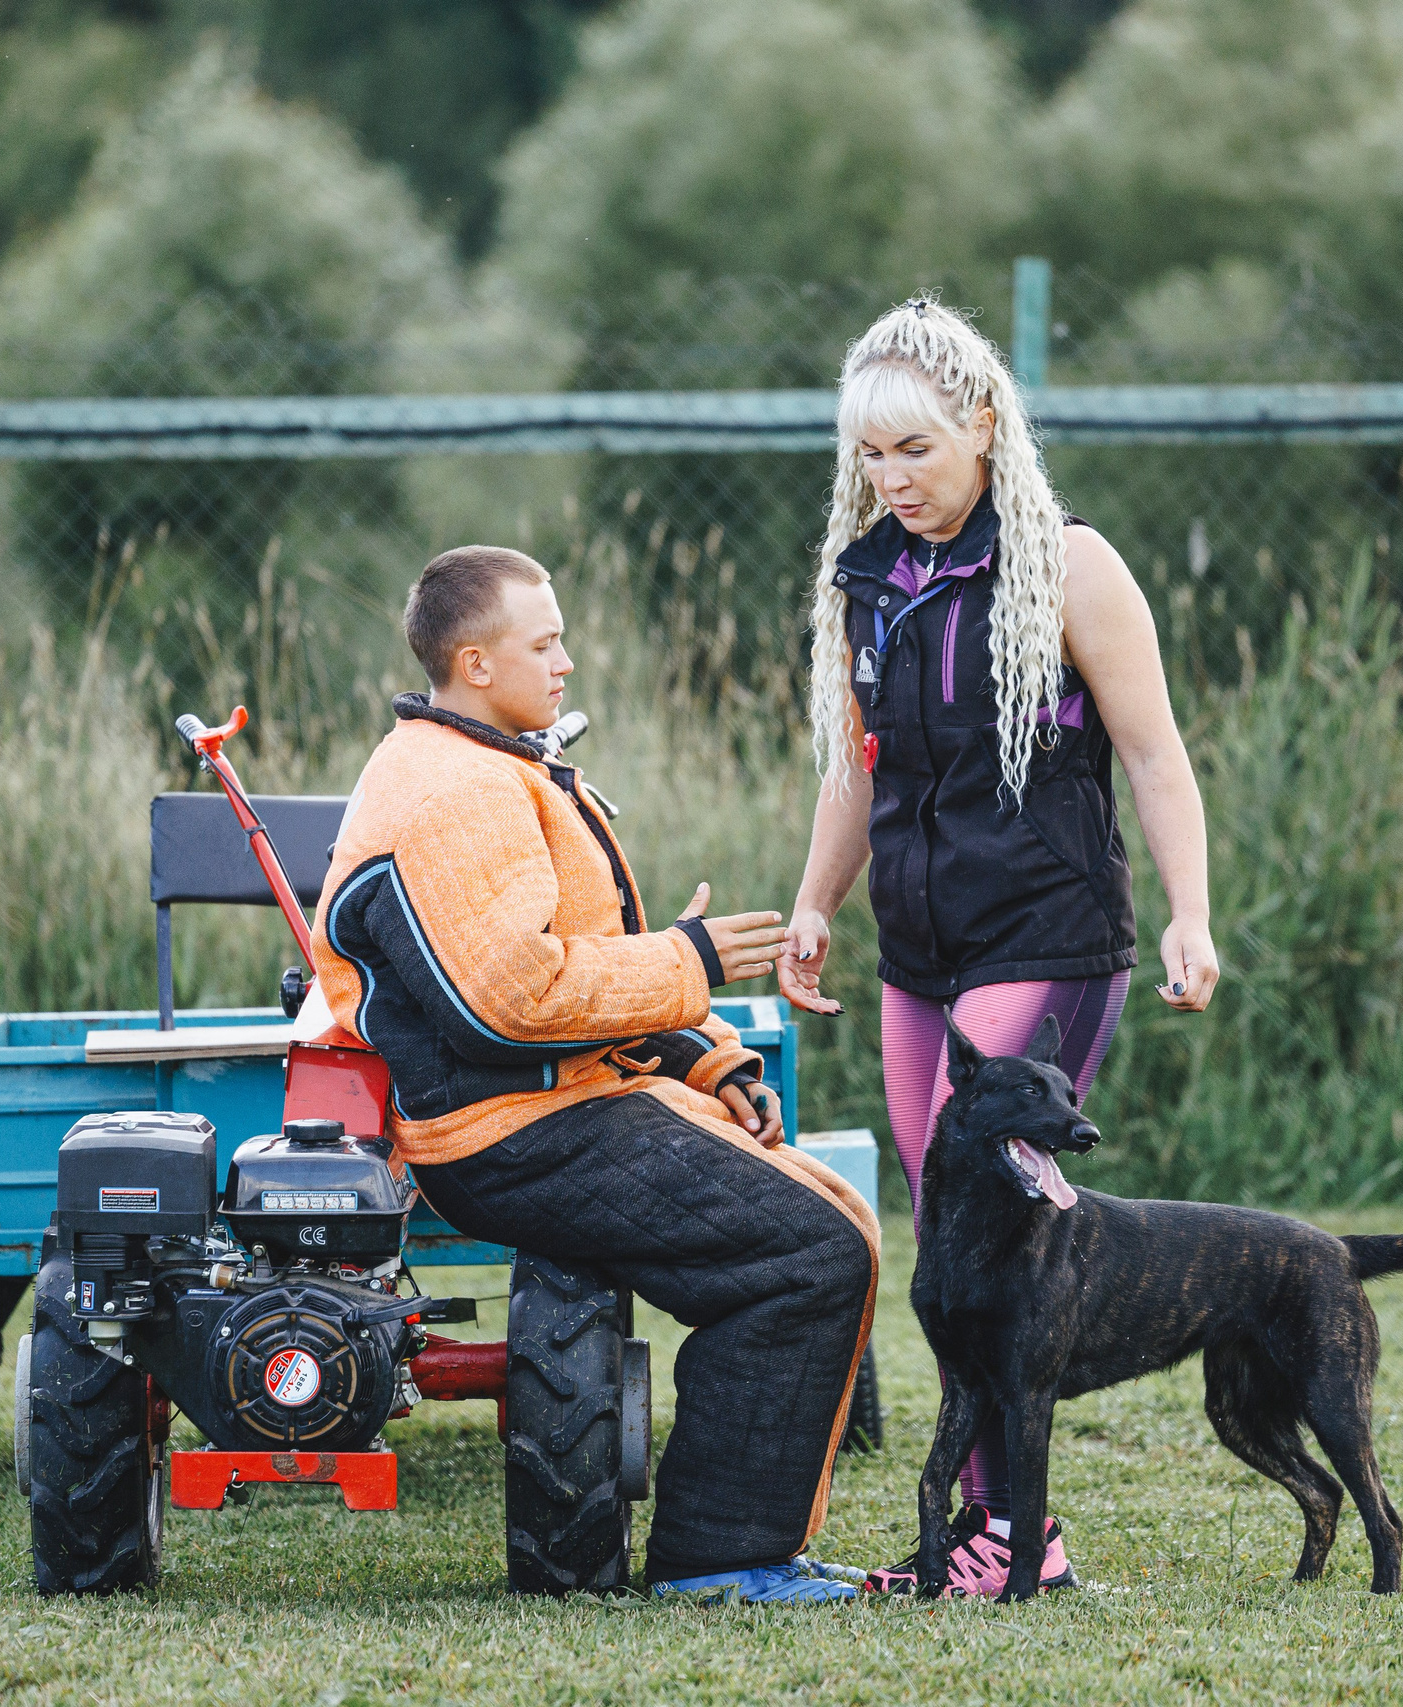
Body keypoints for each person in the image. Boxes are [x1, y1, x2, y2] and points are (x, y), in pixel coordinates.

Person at [307, 545, 880, 1603]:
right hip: (505, 1133)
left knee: (818, 1229)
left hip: (551, 1101)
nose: (566, 661)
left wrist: (706, 1056)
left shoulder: (489, 761)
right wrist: (691, 962)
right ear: (475, 664)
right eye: (544, 642)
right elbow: (508, 1002)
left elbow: (569, 967)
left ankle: (739, 1550)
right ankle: (724, 1564)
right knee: (813, 1252)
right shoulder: (452, 792)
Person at [777, 299, 1222, 1596]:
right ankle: (989, 1528)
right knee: (945, 1225)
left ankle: (1009, 1537)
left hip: (1048, 927)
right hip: (920, 947)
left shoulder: (1071, 563)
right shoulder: (870, 578)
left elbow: (1153, 752)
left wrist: (1193, 913)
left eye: (913, 448)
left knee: (994, 1209)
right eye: (869, 454)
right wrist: (814, 902)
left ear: (983, 423)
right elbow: (859, 773)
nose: (890, 478)